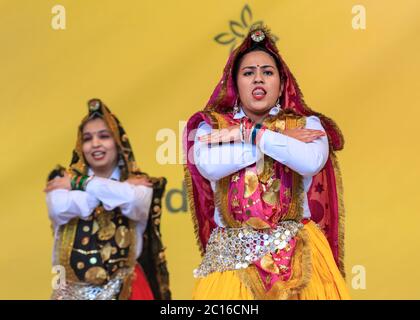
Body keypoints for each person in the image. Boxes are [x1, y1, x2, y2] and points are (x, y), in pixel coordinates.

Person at [184, 27, 350, 299]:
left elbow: (308, 162)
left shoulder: (307, 125)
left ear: (282, 84)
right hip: (232, 261)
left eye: (267, 72)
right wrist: (275, 138)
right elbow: (211, 166)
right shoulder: (211, 127)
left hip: (299, 255)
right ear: (234, 84)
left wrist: (249, 134)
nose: (258, 79)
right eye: (248, 73)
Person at [45, 98, 171, 300]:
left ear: (118, 143)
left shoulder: (142, 184)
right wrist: (114, 191)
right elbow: (60, 208)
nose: (95, 144)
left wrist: (80, 183)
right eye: (87, 138)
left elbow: (132, 202)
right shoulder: (59, 181)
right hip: (71, 294)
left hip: (127, 291)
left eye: (104, 136)